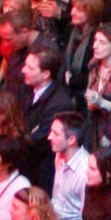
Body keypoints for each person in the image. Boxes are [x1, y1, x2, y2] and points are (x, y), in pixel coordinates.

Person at [22, 47, 72, 192]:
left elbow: (40, 140)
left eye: (30, 68)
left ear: (45, 74)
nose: (23, 70)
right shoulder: (26, 89)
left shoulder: (60, 103)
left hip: (41, 173)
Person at [48, 112, 89, 220]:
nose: (49, 137)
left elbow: (85, 217)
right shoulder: (59, 156)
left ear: (71, 140)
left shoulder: (85, 171)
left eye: (55, 134)